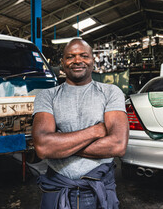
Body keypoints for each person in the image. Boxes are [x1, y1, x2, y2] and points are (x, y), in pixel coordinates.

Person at [32, 38, 129, 209]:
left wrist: (61, 144)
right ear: (62, 62)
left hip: (99, 189)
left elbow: (118, 145)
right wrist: (95, 131)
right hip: (57, 189)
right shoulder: (47, 96)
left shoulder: (110, 92)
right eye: (71, 56)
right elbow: (43, 148)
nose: (77, 60)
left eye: (84, 55)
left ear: (92, 61)